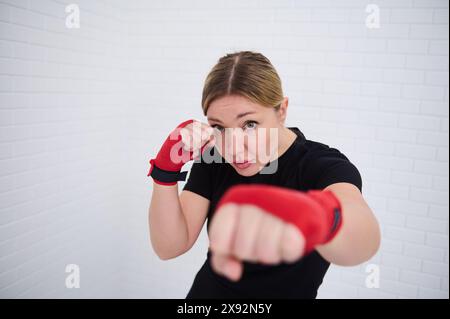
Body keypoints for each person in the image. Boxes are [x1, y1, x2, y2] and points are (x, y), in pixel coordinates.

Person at [147, 51, 380, 299]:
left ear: (282, 110)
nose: (233, 149)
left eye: (249, 124)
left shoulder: (321, 165)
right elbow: (169, 247)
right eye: (218, 127)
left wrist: (315, 216)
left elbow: (362, 242)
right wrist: (165, 172)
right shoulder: (213, 159)